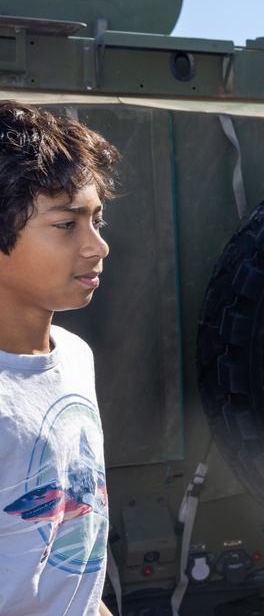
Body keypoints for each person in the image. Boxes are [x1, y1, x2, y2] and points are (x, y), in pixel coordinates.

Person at [0, 100, 119, 615]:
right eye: (67, 225)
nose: (98, 246)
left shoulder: (74, 357)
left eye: (98, 219)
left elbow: (72, 566)